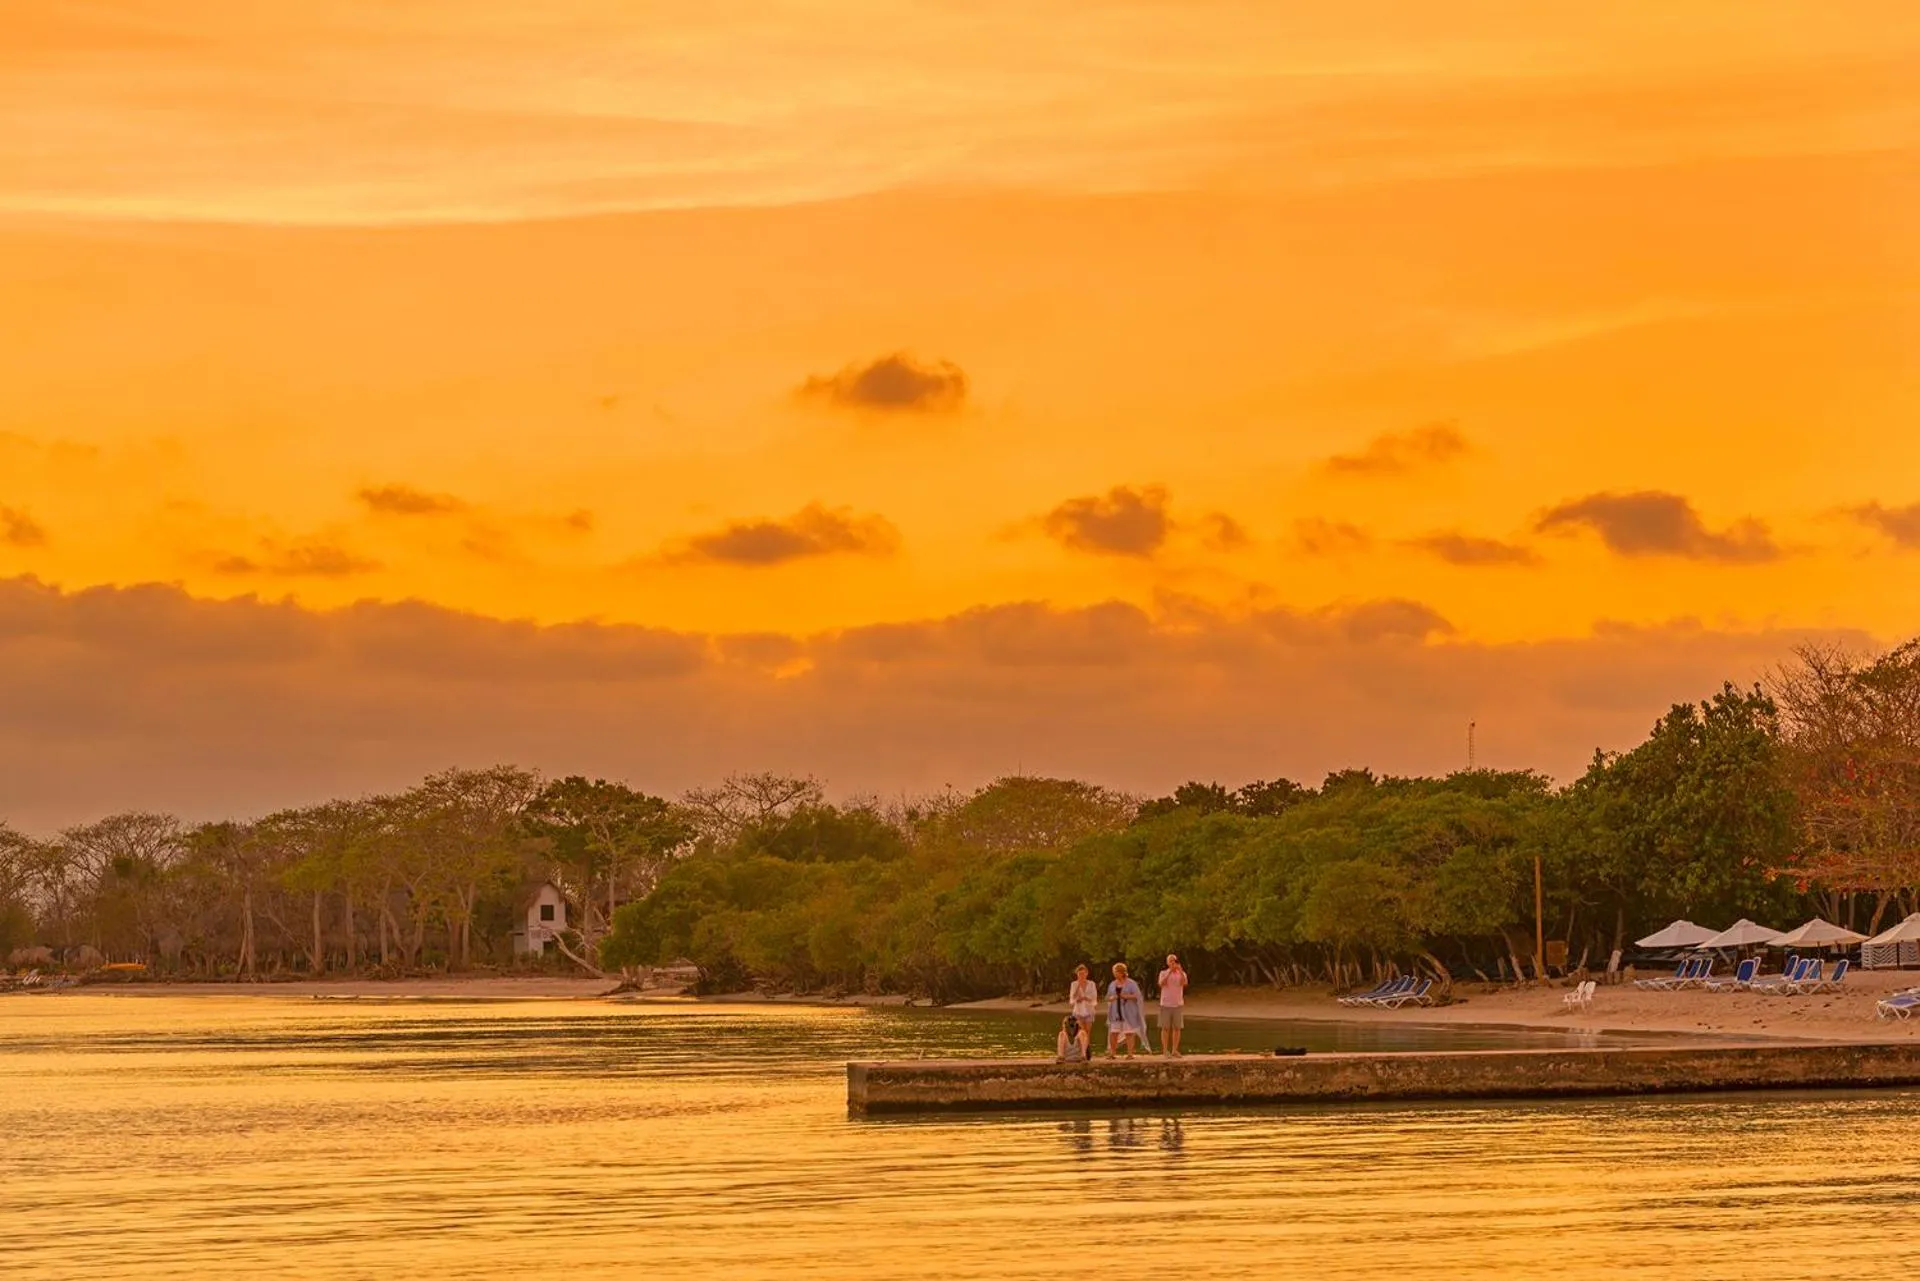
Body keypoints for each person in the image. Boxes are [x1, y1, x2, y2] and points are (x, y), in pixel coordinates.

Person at [1105, 962, 1149, 1057]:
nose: (1115, 974)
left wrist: (1125, 996)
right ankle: (1112, 1053)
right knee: (1113, 1032)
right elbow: (1107, 997)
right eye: (1114, 972)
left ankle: (1130, 1054)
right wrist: (1112, 998)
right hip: (1115, 1012)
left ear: (1122, 972)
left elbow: (1137, 996)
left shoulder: (1131, 983)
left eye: (1116, 972)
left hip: (1128, 1012)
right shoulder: (1112, 984)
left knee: (1129, 1033)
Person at [1157, 953, 1188, 1057]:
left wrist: (1180, 971)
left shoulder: (1181, 973)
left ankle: (1175, 1050)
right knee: (1165, 1028)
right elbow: (1161, 983)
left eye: (1174, 961)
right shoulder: (1163, 973)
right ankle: (1165, 1050)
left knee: (1177, 1028)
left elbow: (1184, 983)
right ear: (1167, 963)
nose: (1172, 963)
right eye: (1170, 961)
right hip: (1165, 1004)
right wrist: (1170, 972)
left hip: (1177, 1004)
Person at [1068, 964, 1098, 1057]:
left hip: (1089, 1010)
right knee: (1082, 1031)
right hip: (1078, 1010)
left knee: (1088, 1031)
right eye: (1079, 974)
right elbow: (1072, 999)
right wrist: (1078, 988)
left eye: (1083, 973)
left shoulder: (1091, 984)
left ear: (1087, 974)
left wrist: (1086, 998)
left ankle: (1086, 1051)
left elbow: (1094, 998)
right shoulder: (1074, 984)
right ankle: (1082, 1051)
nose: (1081, 975)